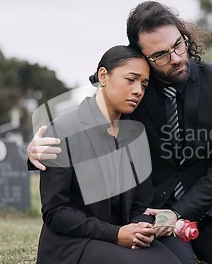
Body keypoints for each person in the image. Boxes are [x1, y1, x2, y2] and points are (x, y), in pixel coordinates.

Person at [30, 2, 212, 263]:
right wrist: (37, 148)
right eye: (160, 55)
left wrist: (180, 214)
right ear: (143, 56)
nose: (175, 58)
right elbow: (91, 115)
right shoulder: (136, 89)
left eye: (178, 44)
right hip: (155, 210)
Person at [35, 45, 182, 264]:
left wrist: (141, 226)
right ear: (103, 76)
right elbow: (55, 212)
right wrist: (116, 234)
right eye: (130, 80)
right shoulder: (62, 130)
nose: (138, 91)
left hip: (119, 239)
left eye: (143, 84)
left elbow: (139, 205)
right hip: (72, 244)